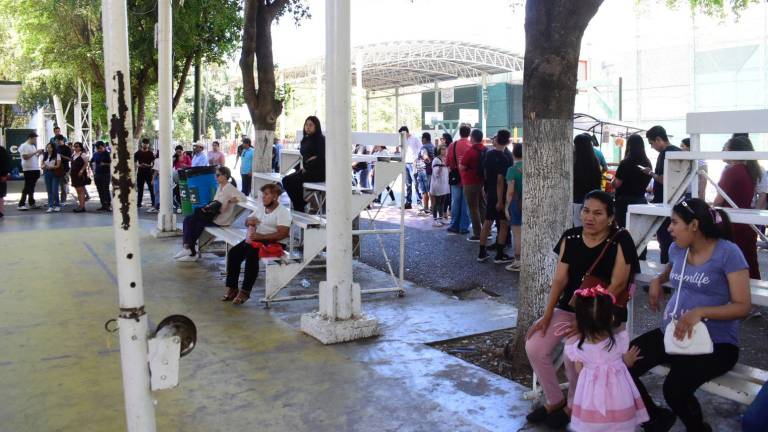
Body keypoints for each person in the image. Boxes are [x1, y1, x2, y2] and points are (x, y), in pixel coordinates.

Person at [628, 198, 751, 432]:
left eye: (674, 223)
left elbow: (743, 306)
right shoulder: (678, 249)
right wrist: (657, 280)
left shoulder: (728, 253)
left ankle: (698, 428)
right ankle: (656, 418)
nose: (669, 229)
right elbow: (671, 272)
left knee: (674, 390)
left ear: (694, 225)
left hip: (716, 343)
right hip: (674, 333)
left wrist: (701, 312)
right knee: (622, 365)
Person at [525, 190, 639, 429]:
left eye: (598, 213)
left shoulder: (621, 239)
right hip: (570, 309)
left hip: (603, 313)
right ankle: (555, 399)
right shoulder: (572, 237)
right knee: (535, 344)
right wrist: (546, 316)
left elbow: (617, 284)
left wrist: (585, 322)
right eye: (586, 211)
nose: (589, 217)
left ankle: (574, 405)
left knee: (572, 350)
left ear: (610, 217)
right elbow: (559, 280)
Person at [564, 287, 649, 432]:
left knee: (593, 425)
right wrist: (628, 360)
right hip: (619, 398)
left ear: (580, 321)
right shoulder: (619, 341)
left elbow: (579, 370)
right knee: (620, 425)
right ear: (611, 318)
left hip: (590, 400)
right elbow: (625, 363)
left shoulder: (577, 348)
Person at [221, 183, 292, 305]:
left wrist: (262, 236)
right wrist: (250, 221)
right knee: (234, 253)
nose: (263, 197)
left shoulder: (283, 212)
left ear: (275, 196)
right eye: (262, 195)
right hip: (257, 238)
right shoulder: (261, 207)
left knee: (251, 256)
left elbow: (283, 234)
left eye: (266, 195)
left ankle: (245, 291)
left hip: (273, 242)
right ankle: (232, 288)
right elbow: (246, 221)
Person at [714, 136, 762, 279]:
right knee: (750, 264)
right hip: (746, 222)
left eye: (726, 147)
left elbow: (718, 201)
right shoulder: (751, 170)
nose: (724, 150)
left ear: (734, 150)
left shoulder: (731, 171)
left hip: (731, 224)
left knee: (730, 265)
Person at [174, 166, 245, 261]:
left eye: (218, 175)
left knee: (197, 223)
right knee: (188, 220)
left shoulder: (230, 188)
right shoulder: (220, 186)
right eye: (216, 175)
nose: (216, 177)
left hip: (220, 219)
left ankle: (189, 250)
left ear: (225, 176)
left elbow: (244, 197)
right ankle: (189, 248)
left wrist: (232, 200)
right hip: (213, 214)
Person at [641, 125, 680, 264]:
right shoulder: (679, 151)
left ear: (658, 139)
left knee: (665, 239)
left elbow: (664, 179)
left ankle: (665, 271)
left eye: (651, 143)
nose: (652, 147)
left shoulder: (665, 154)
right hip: (677, 201)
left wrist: (650, 173)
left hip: (664, 202)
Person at [477, 129, 513, 264]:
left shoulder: (489, 153)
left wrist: (484, 190)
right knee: (503, 224)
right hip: (500, 195)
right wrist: (500, 200)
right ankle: (499, 254)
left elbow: (485, 173)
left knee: (487, 222)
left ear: (496, 140)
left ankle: (481, 252)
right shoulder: (505, 158)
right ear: (508, 141)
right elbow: (500, 181)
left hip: (489, 192)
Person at [282, 116, 325, 212]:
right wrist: (308, 162)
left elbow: (321, 157)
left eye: (310, 125)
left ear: (316, 126)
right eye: (306, 124)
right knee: (285, 180)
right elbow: (306, 157)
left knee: (296, 181)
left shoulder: (320, 139)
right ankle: (300, 203)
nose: (308, 127)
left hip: (319, 172)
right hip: (307, 170)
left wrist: (309, 162)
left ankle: (299, 208)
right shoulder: (305, 140)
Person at [612, 134, 652, 228]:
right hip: (641, 201)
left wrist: (612, 181)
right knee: (639, 230)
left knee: (625, 230)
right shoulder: (647, 162)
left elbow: (617, 183)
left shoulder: (625, 162)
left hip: (625, 203)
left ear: (629, 146)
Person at [459, 129, 487, 241]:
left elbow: (462, 167)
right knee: (482, 206)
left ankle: (477, 234)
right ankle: (487, 231)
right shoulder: (485, 150)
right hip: (482, 182)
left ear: (473, 138)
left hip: (470, 182)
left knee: (473, 208)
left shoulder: (470, 151)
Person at [445, 127, 472, 235]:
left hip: (455, 178)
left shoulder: (452, 145)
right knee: (466, 203)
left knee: (455, 202)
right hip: (468, 178)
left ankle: (454, 225)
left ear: (459, 133)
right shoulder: (471, 146)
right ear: (469, 134)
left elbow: (447, 162)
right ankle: (463, 227)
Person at [572, 133, 602, 227]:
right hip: (594, 200)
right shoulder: (595, 162)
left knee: (579, 226)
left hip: (577, 200)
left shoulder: (574, 163)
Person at [505, 142, 523, 271]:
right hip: (530, 203)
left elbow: (510, 191)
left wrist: (506, 206)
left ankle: (518, 261)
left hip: (516, 203)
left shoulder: (512, 170)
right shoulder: (533, 167)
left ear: (514, 154)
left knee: (517, 233)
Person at [18, 132, 43, 211]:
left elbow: (33, 157)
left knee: (31, 187)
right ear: (30, 138)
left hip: (34, 168)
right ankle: (21, 204)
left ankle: (31, 202)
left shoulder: (33, 146)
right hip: (28, 169)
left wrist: (38, 154)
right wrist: (35, 152)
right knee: (28, 186)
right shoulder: (24, 146)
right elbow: (25, 157)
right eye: (34, 139)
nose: (35, 140)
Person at [399, 126, 422, 209]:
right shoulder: (403, 140)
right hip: (405, 163)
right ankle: (408, 202)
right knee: (408, 184)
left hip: (413, 163)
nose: (401, 135)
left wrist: (417, 160)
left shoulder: (415, 138)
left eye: (402, 134)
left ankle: (420, 202)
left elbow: (421, 149)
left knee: (416, 183)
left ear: (406, 132)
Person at [430, 145, 450, 226]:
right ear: (439, 150)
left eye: (445, 149)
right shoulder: (436, 160)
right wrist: (442, 165)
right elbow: (436, 174)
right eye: (443, 149)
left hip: (444, 184)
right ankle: (435, 219)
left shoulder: (445, 159)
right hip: (437, 185)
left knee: (442, 202)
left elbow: (448, 171)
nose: (445, 151)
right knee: (436, 202)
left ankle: (440, 218)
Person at [415, 132, 434, 215]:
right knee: (430, 190)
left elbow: (425, 156)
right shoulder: (433, 146)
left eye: (422, 139)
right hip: (431, 171)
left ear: (424, 139)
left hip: (424, 170)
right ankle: (432, 208)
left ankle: (426, 208)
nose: (421, 141)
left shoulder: (424, 147)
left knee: (424, 190)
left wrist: (427, 162)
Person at [134, 138, 155, 208]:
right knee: (140, 189)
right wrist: (139, 165)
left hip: (149, 173)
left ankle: (154, 203)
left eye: (146, 143)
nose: (145, 144)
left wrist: (148, 165)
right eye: (144, 143)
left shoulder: (151, 153)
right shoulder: (137, 153)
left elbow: (153, 164)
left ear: (148, 145)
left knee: (151, 188)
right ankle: (139, 203)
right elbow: (134, 163)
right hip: (140, 173)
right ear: (142, 144)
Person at [41, 142, 62, 213]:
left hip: (55, 173)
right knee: (49, 190)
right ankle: (50, 206)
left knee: (54, 190)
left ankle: (57, 205)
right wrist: (43, 166)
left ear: (53, 148)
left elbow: (58, 165)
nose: (48, 149)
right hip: (47, 173)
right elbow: (42, 164)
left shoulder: (57, 155)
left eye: (50, 147)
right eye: (47, 147)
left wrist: (51, 167)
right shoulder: (45, 155)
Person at [91, 141, 111, 211]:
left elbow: (112, 163)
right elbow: (92, 162)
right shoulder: (95, 154)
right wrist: (92, 170)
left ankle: (108, 205)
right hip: (97, 174)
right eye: (98, 148)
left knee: (106, 189)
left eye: (101, 148)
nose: (99, 149)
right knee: (100, 190)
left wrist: (105, 164)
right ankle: (103, 204)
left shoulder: (107, 154)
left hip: (106, 174)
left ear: (104, 147)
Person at [70, 142, 90, 213]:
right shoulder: (73, 155)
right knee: (78, 191)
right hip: (74, 175)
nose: (76, 148)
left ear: (80, 147)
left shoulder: (83, 154)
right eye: (75, 147)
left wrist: (81, 170)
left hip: (80, 174)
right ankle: (81, 205)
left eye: (77, 146)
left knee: (81, 190)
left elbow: (86, 163)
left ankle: (82, 206)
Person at [54, 135, 72, 205]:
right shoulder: (56, 148)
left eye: (57, 140)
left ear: (61, 140)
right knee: (55, 186)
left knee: (63, 186)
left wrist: (62, 156)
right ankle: (56, 200)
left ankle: (63, 201)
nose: (56, 142)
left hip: (64, 169)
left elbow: (70, 159)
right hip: (56, 168)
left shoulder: (67, 148)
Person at [0, 142, 9, 217]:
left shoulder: (2, 150)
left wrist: (4, 175)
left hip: (1, 175)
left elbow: (6, 163)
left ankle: (0, 211)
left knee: (0, 195)